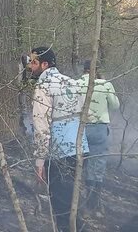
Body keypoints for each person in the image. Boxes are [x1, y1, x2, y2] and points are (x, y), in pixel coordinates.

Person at [28, 47, 88, 231]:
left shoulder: (43, 87)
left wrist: (39, 162)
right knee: (74, 200)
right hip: (80, 147)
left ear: (44, 64)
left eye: (33, 62)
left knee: (61, 204)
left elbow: (41, 127)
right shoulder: (71, 82)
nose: (29, 66)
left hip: (60, 151)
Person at [78, 60, 120, 214]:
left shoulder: (76, 84)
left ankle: (77, 200)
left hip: (80, 128)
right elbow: (115, 105)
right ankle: (93, 203)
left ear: (84, 70)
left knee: (81, 163)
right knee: (98, 164)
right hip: (99, 129)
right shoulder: (104, 84)